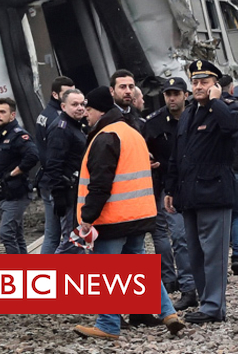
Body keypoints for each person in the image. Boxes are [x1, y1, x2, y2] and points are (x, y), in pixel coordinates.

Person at [72, 86, 184, 340]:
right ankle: (169, 313)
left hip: (113, 218)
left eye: (89, 109)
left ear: (100, 111)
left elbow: (100, 184)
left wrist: (87, 217)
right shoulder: (131, 132)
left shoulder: (105, 137)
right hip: (139, 215)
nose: (86, 114)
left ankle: (107, 325)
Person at [164, 60, 238, 324]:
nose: (198, 86)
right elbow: (178, 154)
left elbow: (233, 129)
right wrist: (170, 188)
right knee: (195, 253)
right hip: (189, 194)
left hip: (214, 192)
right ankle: (205, 301)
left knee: (214, 254)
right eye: (195, 82)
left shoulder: (227, 108)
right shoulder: (188, 114)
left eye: (204, 82)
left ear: (215, 85)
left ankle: (214, 307)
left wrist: (216, 102)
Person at [143, 77, 196, 303]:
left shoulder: (195, 117)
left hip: (191, 183)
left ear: (185, 95)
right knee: (171, 234)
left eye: (176, 94)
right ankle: (179, 283)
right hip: (164, 185)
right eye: (168, 94)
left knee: (185, 235)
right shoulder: (154, 123)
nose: (172, 98)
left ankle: (188, 282)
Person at [39, 88, 88, 254]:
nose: (80, 108)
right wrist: (59, 194)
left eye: (82, 104)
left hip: (74, 191)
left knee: (77, 240)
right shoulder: (62, 129)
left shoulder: (75, 126)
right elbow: (53, 163)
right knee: (72, 241)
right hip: (67, 191)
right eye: (74, 104)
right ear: (63, 106)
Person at [0, 97, 39, 254]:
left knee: (6, 233)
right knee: (17, 235)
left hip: (17, 192)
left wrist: (13, 173)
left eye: (2, 112)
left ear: (12, 115)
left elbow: (32, 156)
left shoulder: (18, 135)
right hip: (6, 193)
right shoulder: (2, 135)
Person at [218, 75, 238, 276]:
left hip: (218, 170)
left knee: (219, 214)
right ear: (232, 89)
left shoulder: (209, 109)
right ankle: (237, 256)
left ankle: (219, 257)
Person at [34, 76, 74, 181]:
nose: (71, 96)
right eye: (67, 94)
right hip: (63, 175)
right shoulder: (57, 118)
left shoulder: (46, 114)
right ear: (55, 95)